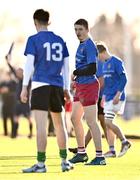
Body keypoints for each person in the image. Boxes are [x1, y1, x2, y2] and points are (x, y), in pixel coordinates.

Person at [20, 9, 73, 173]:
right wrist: (66, 88)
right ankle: (64, 161)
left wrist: (24, 87)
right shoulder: (60, 40)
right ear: (49, 22)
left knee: (41, 126)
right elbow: (66, 66)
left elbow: (29, 64)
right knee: (60, 125)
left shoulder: (33, 39)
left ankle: (41, 164)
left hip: (40, 85)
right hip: (57, 85)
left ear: (35, 21)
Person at [69, 19, 106, 165]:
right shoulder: (81, 44)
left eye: (80, 29)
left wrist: (75, 72)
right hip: (80, 86)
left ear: (87, 29)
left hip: (89, 86)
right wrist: (76, 78)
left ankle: (100, 157)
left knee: (91, 122)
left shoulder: (90, 45)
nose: (78, 32)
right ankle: (81, 153)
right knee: (74, 118)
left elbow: (92, 69)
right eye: (76, 29)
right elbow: (83, 67)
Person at [96, 42, 131, 157]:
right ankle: (112, 150)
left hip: (116, 97)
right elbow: (107, 83)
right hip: (108, 97)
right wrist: (104, 97)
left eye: (98, 56)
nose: (98, 59)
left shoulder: (116, 61)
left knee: (107, 122)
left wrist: (118, 94)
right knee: (108, 123)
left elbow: (124, 79)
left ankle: (124, 142)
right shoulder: (104, 64)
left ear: (102, 52)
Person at [69, 58, 107, 154]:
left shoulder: (97, 62)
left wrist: (101, 96)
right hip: (83, 89)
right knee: (77, 119)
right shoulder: (83, 60)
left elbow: (101, 81)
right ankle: (82, 150)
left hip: (94, 93)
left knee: (98, 122)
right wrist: (77, 81)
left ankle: (107, 150)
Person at [5, 57, 33, 138]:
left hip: (25, 103)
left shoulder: (27, 80)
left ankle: (30, 133)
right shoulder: (18, 79)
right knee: (16, 118)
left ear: (23, 72)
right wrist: (8, 61)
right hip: (18, 103)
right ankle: (14, 134)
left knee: (29, 118)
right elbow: (12, 70)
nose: (17, 73)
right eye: (17, 72)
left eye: (19, 72)